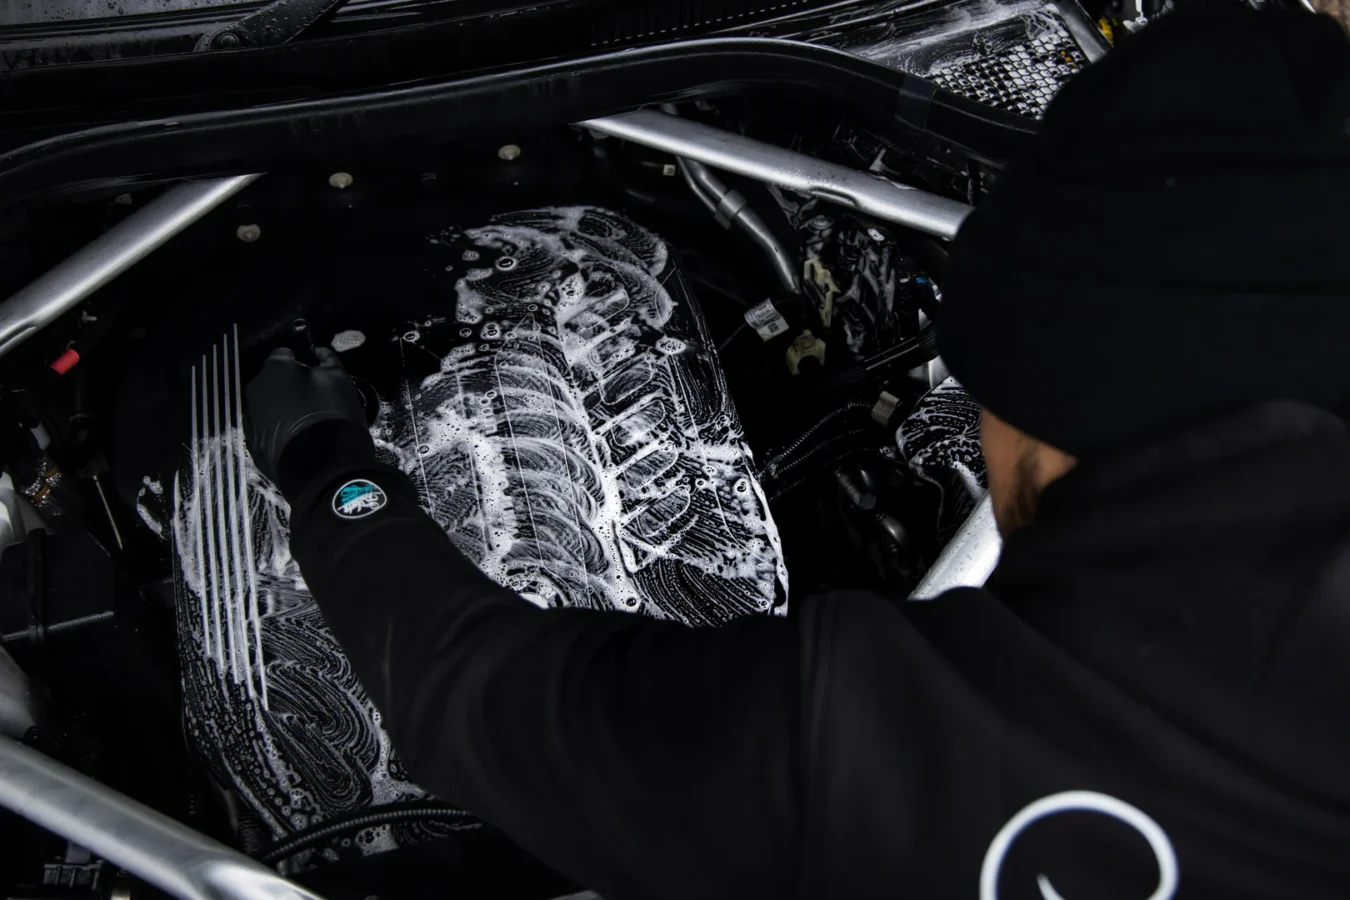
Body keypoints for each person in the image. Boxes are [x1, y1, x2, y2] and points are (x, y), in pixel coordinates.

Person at [244, 7, 1350, 898]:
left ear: (1053, 394)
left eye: (985, 393)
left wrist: (322, 459)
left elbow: (472, 694)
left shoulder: (931, 763)